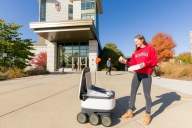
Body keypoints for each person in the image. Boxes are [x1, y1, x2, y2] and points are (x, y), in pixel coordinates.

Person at [119, 35, 158, 125]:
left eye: (137, 41)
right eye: (134, 42)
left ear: (142, 40)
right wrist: (126, 62)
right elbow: (133, 63)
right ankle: (130, 112)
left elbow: (155, 61)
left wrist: (146, 63)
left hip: (146, 74)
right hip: (137, 74)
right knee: (132, 93)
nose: (135, 43)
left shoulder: (150, 49)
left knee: (147, 95)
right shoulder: (136, 52)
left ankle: (147, 114)